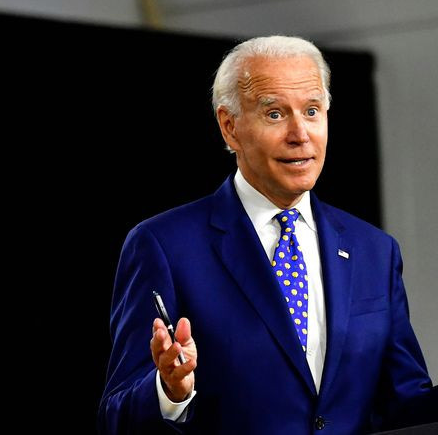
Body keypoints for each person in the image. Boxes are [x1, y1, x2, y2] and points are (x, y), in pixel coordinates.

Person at [98, 35, 438, 434]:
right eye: (275, 114)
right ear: (230, 128)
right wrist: (169, 392)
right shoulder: (164, 246)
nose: (300, 134)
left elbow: (406, 404)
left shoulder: (374, 251)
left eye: (312, 111)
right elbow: (115, 417)